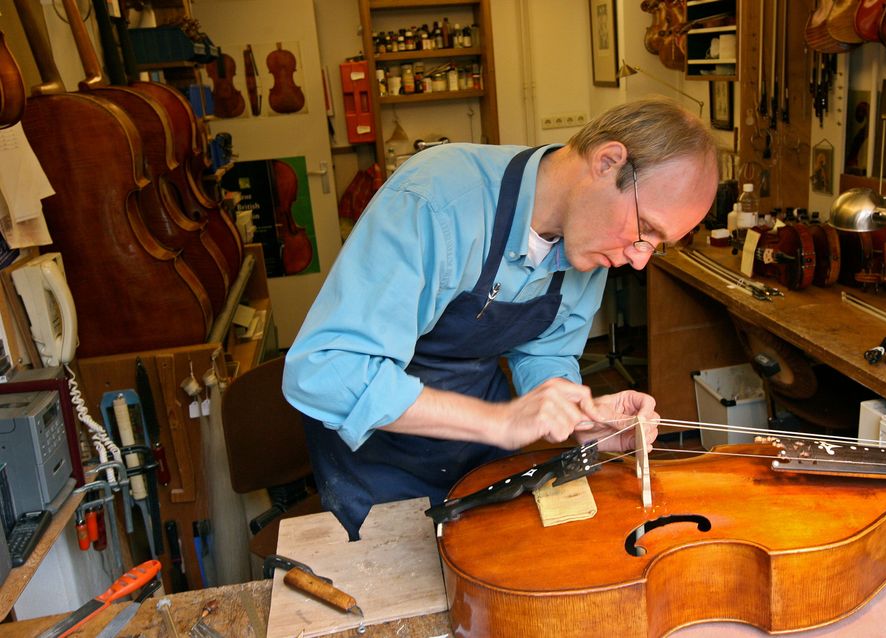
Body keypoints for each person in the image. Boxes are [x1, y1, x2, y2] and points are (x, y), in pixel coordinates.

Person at [283, 97, 719, 539]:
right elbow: (325, 370)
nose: (639, 261)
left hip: (478, 453)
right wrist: (501, 422)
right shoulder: (437, 199)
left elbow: (545, 354)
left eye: (657, 245)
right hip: (378, 461)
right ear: (607, 162)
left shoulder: (590, 244)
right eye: (645, 230)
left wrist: (584, 418)